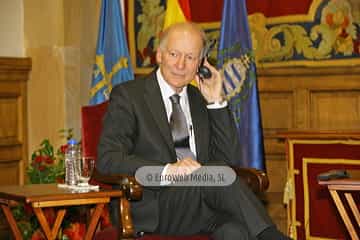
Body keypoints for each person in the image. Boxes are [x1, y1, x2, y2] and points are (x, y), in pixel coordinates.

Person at [97, 22, 290, 240]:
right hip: (155, 205)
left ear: (200, 63)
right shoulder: (129, 96)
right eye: (174, 54)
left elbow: (227, 161)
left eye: (190, 57)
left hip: (203, 204)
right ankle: (272, 236)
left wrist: (216, 102)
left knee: (234, 231)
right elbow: (108, 159)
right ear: (159, 55)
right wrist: (168, 170)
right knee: (214, 176)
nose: (181, 64)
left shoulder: (199, 100)